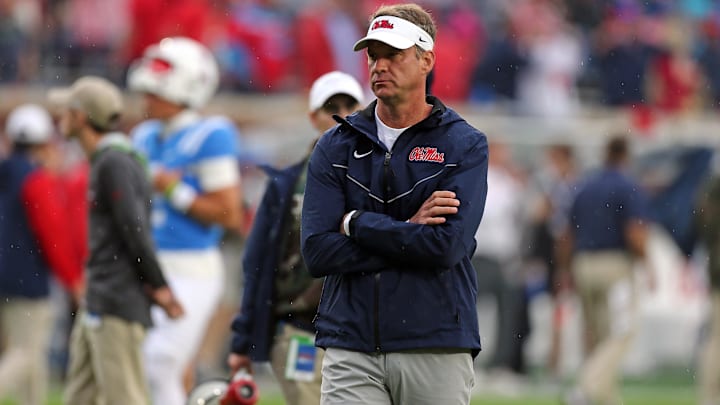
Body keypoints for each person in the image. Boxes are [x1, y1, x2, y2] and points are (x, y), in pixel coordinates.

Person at [300, 4, 489, 404]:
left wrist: (357, 224)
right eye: (374, 56)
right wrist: (410, 228)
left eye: (394, 55)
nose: (380, 66)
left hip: (434, 342)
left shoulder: (463, 144)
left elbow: (445, 248)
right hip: (350, 344)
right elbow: (317, 253)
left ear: (427, 60)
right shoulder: (335, 145)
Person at [227, 70, 364, 405]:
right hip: (300, 328)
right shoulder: (285, 185)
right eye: (333, 106)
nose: (343, 115)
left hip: (361, 334)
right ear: (313, 116)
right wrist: (242, 340)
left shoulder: (380, 178)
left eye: (350, 105)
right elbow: (257, 262)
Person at [51, 76, 184, 405]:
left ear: (81, 117)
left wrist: (159, 285)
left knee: (124, 397)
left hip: (115, 299)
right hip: (101, 297)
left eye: (67, 110)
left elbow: (134, 230)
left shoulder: (114, 162)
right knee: (79, 397)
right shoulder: (110, 159)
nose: (60, 117)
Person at [127, 36, 244, 405]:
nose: (147, 98)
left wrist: (173, 189)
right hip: (148, 264)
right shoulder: (145, 135)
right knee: (147, 367)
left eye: (155, 91)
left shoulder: (210, 134)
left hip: (191, 265)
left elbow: (230, 214)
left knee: (161, 362)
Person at [0, 104, 84, 405]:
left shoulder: (7, 173)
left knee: (31, 360)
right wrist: (73, 280)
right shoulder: (37, 181)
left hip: (5, 276)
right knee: (26, 353)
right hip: (28, 280)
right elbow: (54, 237)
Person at [560, 135, 652, 405]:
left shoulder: (585, 186)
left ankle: (606, 398)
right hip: (615, 266)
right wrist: (648, 263)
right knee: (621, 333)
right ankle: (586, 387)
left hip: (583, 264)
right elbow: (635, 233)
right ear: (626, 155)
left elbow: (567, 234)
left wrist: (565, 271)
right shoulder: (627, 186)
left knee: (597, 336)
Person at [695, 169, 720, 405]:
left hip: (716, 266)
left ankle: (710, 395)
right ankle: (710, 395)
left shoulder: (711, 186)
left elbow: (701, 223)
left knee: (716, 336)